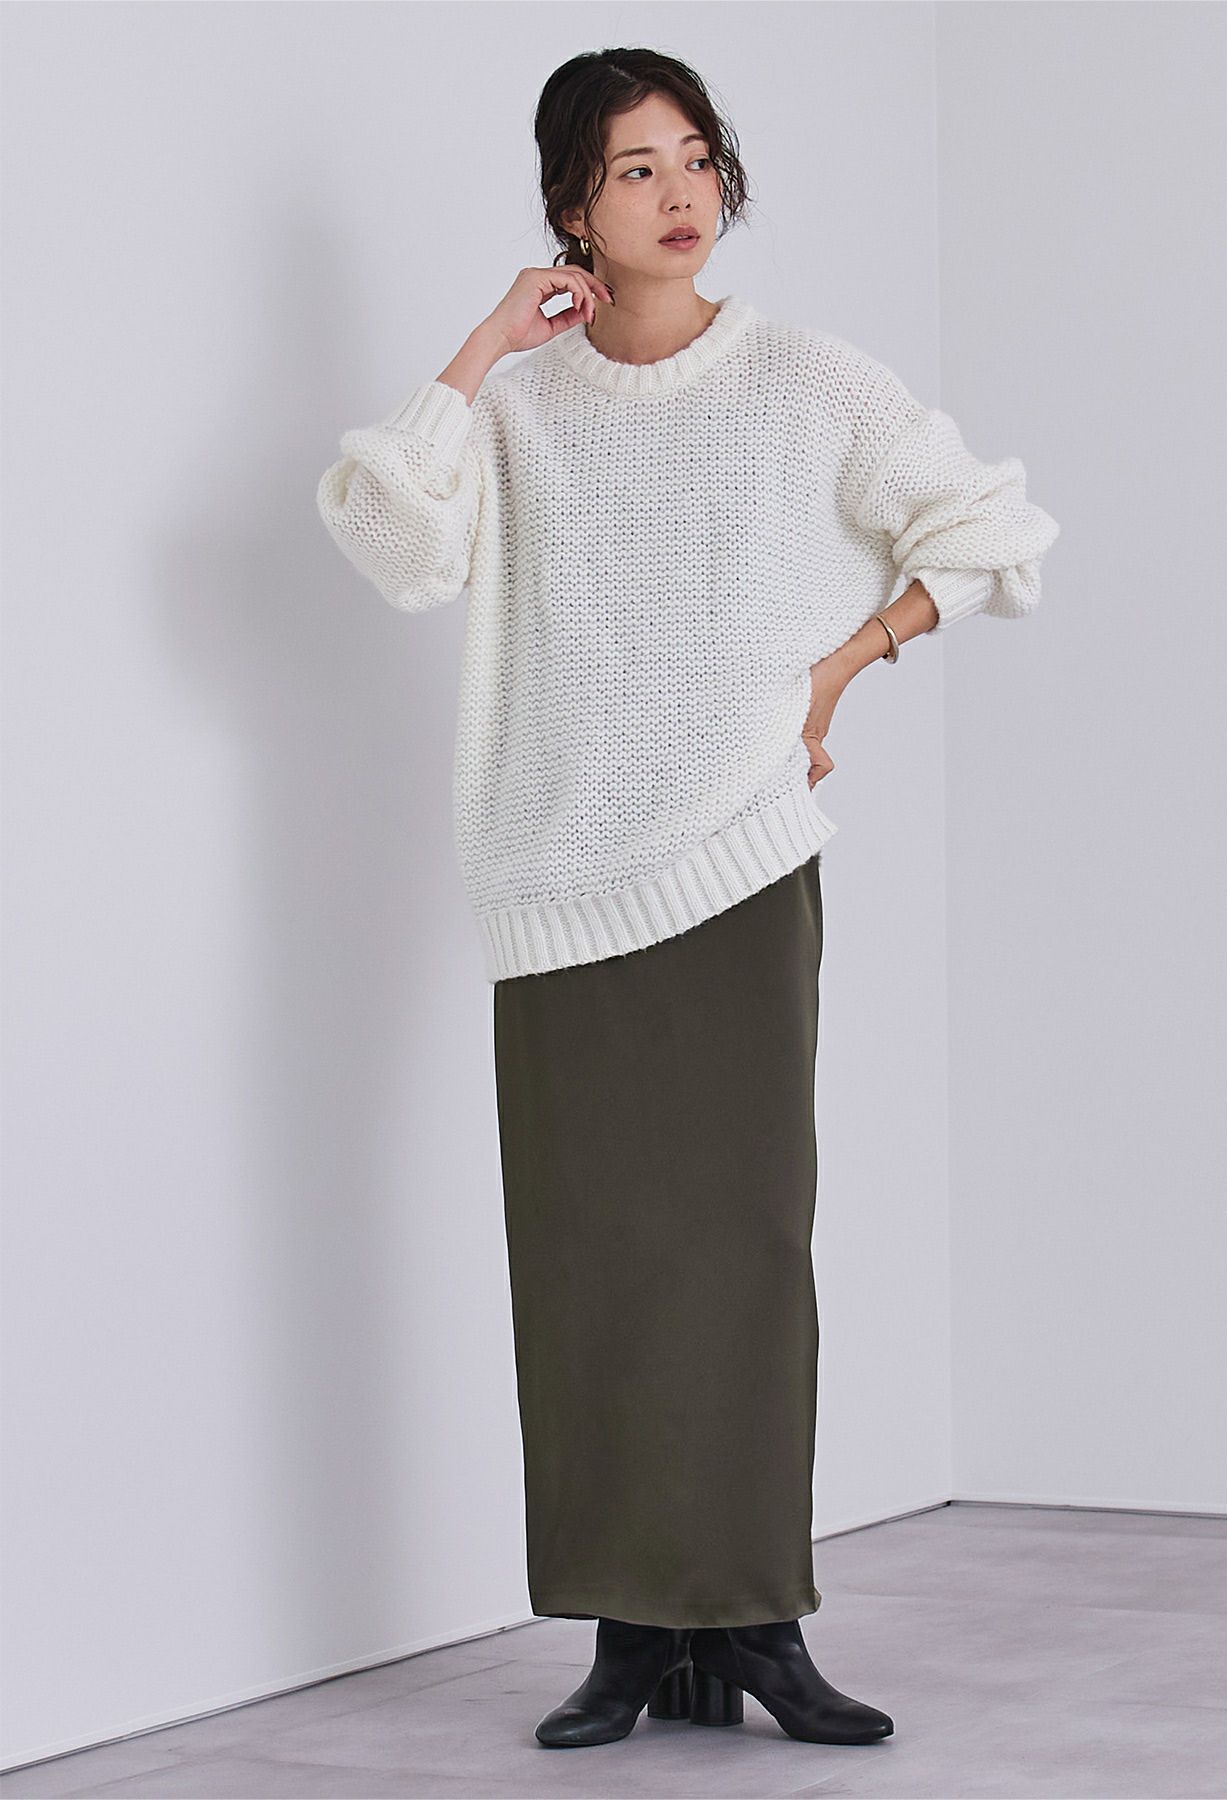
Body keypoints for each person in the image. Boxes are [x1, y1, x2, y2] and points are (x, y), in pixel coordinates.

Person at [315, 44, 1060, 1754]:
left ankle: (757, 1622)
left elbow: (993, 531)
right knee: (586, 1257)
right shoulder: (519, 409)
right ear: (571, 205)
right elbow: (392, 540)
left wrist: (844, 663)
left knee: (744, 1250)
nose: (679, 192)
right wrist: (485, 345)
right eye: (634, 168)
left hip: (735, 866)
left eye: (697, 157)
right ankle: (632, 1635)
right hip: (555, 883)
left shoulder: (807, 379)